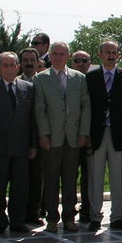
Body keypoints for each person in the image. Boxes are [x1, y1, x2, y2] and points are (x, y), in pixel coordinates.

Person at [33, 41, 91, 233]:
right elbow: (39, 109)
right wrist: (43, 134)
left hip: (73, 137)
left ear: (68, 56)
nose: (58, 57)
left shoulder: (79, 78)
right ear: (50, 56)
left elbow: (85, 106)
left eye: (61, 54)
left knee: (70, 179)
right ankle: (52, 218)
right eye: (55, 54)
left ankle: (69, 217)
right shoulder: (41, 78)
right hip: (52, 137)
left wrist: (83, 132)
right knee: (51, 179)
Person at [0, 52, 37, 233]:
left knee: (20, 187)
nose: (9, 69)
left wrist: (33, 144)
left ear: (18, 67)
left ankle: (17, 220)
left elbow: (32, 119)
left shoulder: (28, 88)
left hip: (21, 147)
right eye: (5, 65)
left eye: (12, 65)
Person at [86, 40, 122, 232]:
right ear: (100, 55)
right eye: (107, 52)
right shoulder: (91, 77)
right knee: (95, 177)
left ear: (118, 55)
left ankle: (117, 217)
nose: (111, 55)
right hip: (96, 134)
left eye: (114, 52)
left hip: (118, 134)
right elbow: (86, 106)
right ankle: (95, 217)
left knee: (118, 178)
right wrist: (86, 133)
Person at [19, 47, 44, 224]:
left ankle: (34, 212)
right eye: (25, 60)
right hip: (20, 138)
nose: (29, 63)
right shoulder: (15, 81)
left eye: (32, 60)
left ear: (37, 62)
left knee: (37, 178)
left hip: (41, 136)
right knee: (19, 179)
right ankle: (18, 213)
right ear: (20, 63)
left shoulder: (43, 81)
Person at [70, 50, 92, 223]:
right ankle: (69, 209)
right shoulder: (69, 80)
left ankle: (87, 209)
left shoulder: (93, 80)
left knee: (88, 176)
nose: (80, 63)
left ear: (89, 63)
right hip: (69, 135)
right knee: (70, 175)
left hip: (89, 137)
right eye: (77, 60)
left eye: (84, 60)